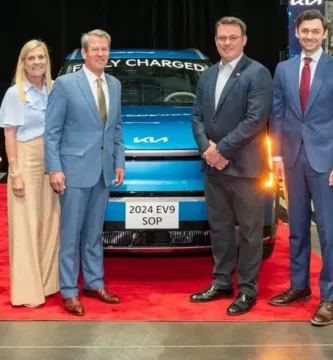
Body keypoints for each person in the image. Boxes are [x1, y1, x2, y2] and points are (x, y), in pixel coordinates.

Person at [190, 16, 273, 315]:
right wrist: (206, 150)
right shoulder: (207, 75)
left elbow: (255, 120)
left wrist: (220, 150)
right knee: (220, 228)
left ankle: (247, 289)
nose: (226, 42)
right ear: (215, 40)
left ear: (244, 40)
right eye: (221, 37)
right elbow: (197, 117)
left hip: (245, 167)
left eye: (232, 37)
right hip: (214, 168)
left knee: (250, 232)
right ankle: (222, 282)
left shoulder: (258, 73)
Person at [44, 29, 125, 316]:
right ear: (84, 53)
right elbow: (51, 132)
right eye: (96, 49)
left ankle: (94, 283)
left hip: (102, 173)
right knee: (71, 235)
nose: (101, 54)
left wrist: (119, 161)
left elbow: (114, 129)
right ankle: (69, 290)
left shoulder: (114, 84)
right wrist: (54, 168)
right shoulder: (66, 85)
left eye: (105, 49)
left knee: (93, 233)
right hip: (73, 172)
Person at [269, 10, 333, 327]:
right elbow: (277, 114)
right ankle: (299, 287)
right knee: (295, 227)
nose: (309, 36)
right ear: (297, 32)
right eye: (304, 30)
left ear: (324, 34)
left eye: (315, 31)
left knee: (328, 231)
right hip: (292, 158)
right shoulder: (284, 69)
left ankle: (330, 298)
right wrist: (277, 157)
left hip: (326, 161)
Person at [0, 40, 60, 307]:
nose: (37, 62)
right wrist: (15, 172)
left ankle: (47, 284)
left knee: (50, 222)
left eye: (41, 57)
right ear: (23, 62)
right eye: (31, 58)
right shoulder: (15, 93)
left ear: (47, 61)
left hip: (53, 158)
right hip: (26, 156)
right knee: (26, 224)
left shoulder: (54, 89)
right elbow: (9, 134)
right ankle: (27, 292)